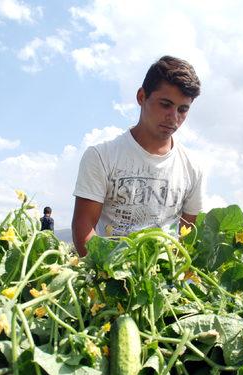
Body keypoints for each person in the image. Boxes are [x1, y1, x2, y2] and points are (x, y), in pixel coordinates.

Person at [72, 55, 204, 256]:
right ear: (141, 97)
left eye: (183, 109)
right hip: (111, 273)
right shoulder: (101, 156)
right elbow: (84, 226)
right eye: (165, 104)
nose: (174, 117)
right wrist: (107, 273)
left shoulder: (192, 167)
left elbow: (187, 237)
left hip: (164, 278)